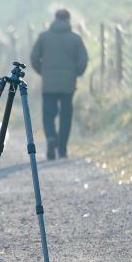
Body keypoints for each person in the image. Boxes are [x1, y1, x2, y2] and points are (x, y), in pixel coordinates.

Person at [31, 9, 88, 160]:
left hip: (49, 83)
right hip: (68, 84)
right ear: (68, 20)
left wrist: (42, 71)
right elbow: (83, 59)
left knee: (48, 114)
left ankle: (50, 137)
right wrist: (76, 73)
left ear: (55, 19)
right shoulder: (76, 38)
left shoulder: (44, 37)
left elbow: (34, 57)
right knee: (66, 116)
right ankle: (62, 149)